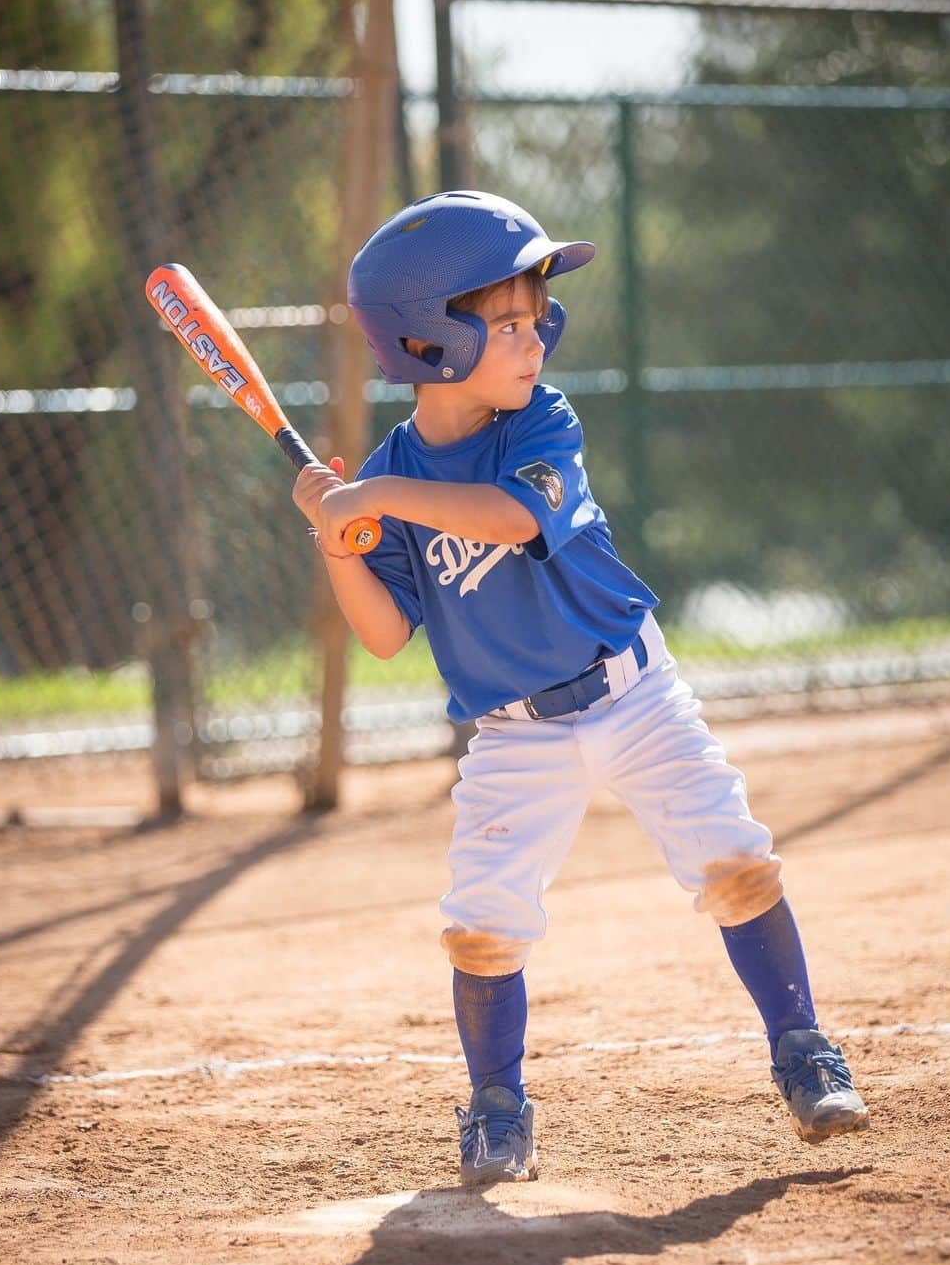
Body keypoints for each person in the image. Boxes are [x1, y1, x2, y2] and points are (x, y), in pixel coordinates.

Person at [292, 190, 869, 1186]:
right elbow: (385, 634)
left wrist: (374, 498)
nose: (536, 341)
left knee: (735, 862)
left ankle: (803, 1050)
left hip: (634, 695)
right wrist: (334, 537)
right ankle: (496, 1107)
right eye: (507, 323)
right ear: (427, 344)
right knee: (483, 920)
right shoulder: (392, 471)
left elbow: (514, 519)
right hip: (515, 736)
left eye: (536, 320)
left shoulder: (541, 426)